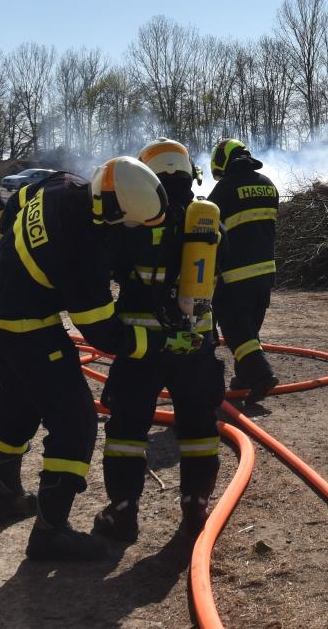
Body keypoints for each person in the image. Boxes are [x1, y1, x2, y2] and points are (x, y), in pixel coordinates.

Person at [0, 156, 200, 560]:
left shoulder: (64, 183)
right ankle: (50, 534)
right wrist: (159, 344)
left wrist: (15, 251)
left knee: (19, 398)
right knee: (75, 421)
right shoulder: (80, 252)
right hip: (25, 322)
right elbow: (103, 332)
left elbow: (16, 204)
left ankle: (3, 494)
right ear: (112, 211)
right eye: (128, 224)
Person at [93, 139, 225, 544]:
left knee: (127, 430)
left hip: (140, 346)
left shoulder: (134, 219)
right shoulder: (207, 221)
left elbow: (106, 266)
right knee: (200, 428)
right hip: (195, 345)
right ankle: (196, 507)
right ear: (189, 172)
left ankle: (123, 514)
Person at [207, 138, 280, 401]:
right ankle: (245, 376)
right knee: (249, 326)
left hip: (235, 273)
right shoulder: (268, 185)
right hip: (265, 272)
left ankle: (261, 375)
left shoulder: (225, 188)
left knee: (236, 329)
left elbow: (208, 226)